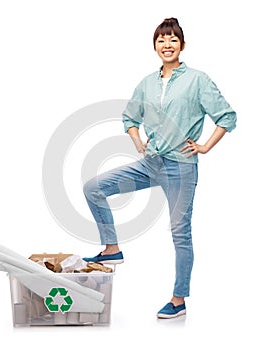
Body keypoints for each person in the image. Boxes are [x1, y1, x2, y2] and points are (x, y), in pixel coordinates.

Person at [83, 18, 237, 318]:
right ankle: (112, 247)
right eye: (161, 40)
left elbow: (227, 117)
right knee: (93, 188)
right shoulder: (147, 83)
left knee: (180, 233)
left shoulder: (197, 80)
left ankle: (178, 300)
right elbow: (130, 118)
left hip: (181, 168)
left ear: (182, 45)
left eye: (173, 40)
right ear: (155, 46)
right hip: (151, 163)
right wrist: (138, 141)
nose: (167, 45)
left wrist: (204, 146)